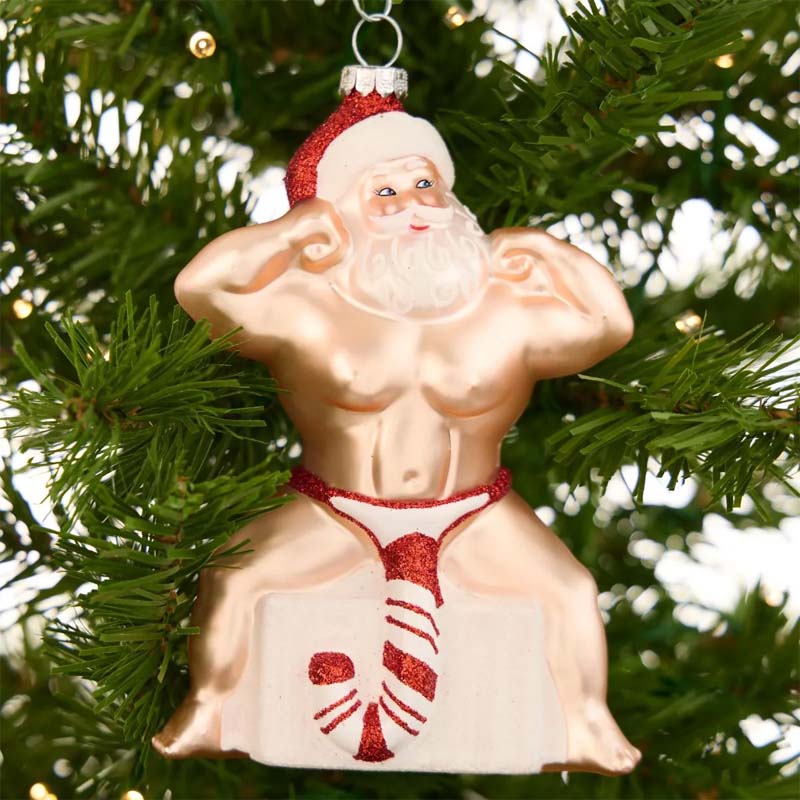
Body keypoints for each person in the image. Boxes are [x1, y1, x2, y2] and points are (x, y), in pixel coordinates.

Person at [152, 83, 639, 775]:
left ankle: (588, 723)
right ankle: (209, 706)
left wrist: (542, 250)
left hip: (473, 511)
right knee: (233, 579)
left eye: (425, 183)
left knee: (570, 592)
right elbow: (202, 291)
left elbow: (608, 326)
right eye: (385, 191)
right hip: (336, 508)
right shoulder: (305, 305)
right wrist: (291, 231)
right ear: (341, 210)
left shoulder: (502, 304)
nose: (414, 203)